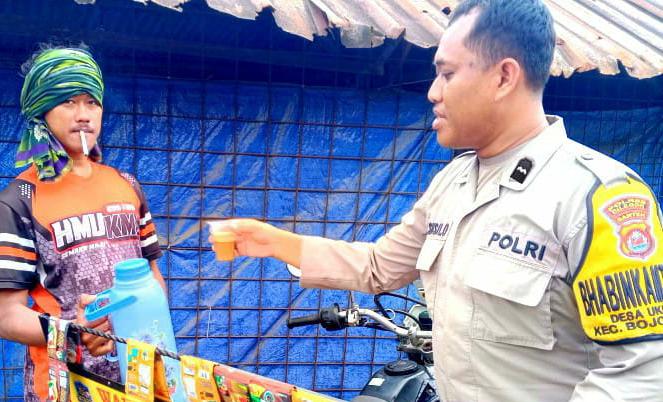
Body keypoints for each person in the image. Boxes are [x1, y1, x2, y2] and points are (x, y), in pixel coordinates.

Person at [209, 0, 663, 401]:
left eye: (447, 74)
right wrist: (274, 242)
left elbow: (643, 370)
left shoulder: (598, 197)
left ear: (504, 76)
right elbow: (379, 267)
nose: (433, 92)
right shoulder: (453, 183)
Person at [0, 46, 164, 402]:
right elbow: (6, 316)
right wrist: (73, 332)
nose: (83, 115)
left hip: (137, 380)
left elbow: (152, 275)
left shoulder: (126, 184)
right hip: (64, 388)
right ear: (41, 111)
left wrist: (155, 335)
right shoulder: (19, 200)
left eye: (92, 102)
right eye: (68, 102)